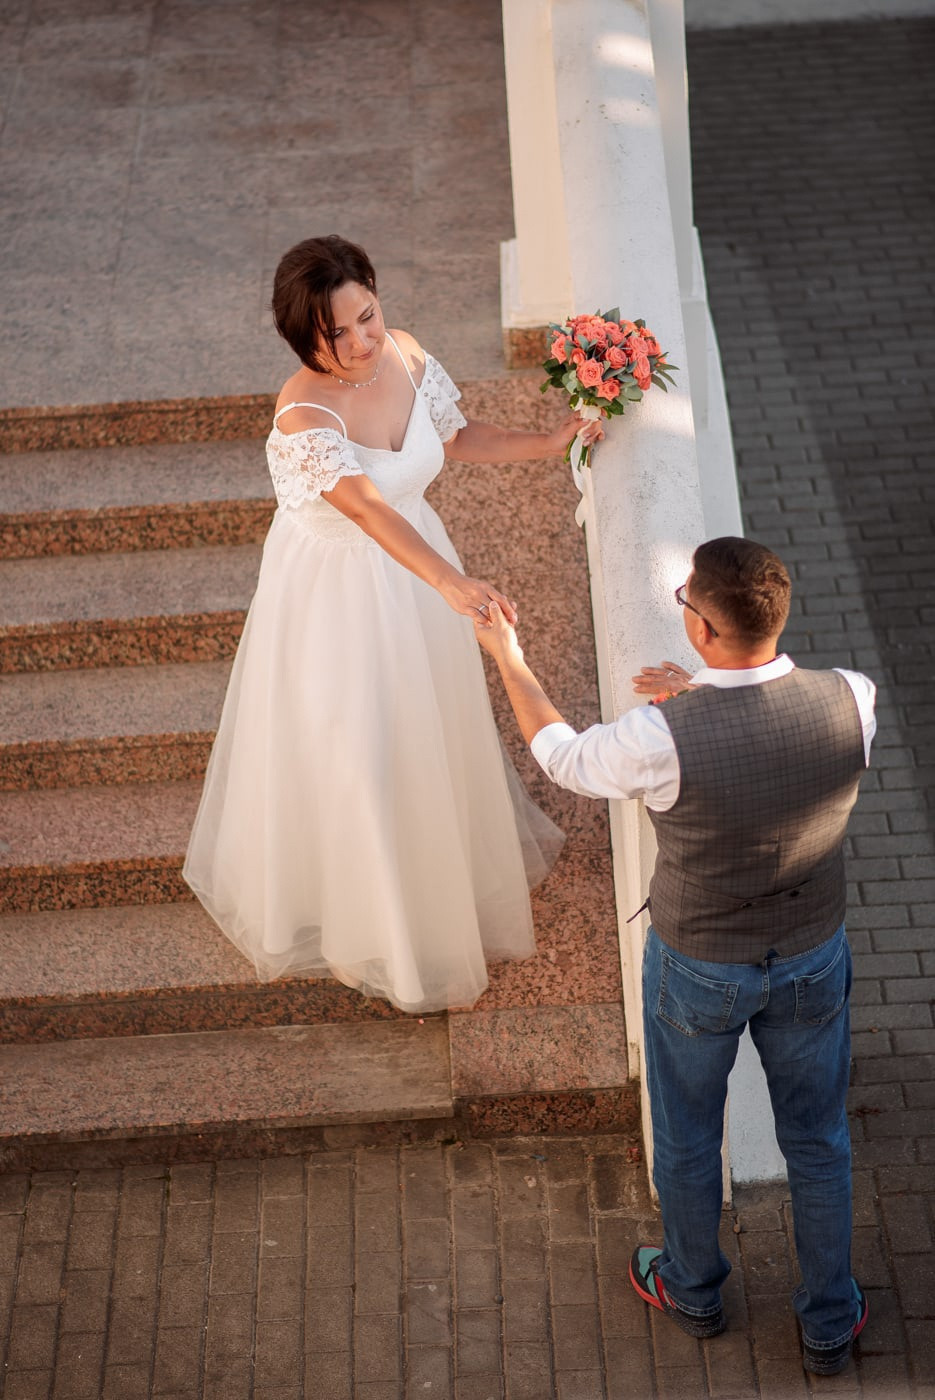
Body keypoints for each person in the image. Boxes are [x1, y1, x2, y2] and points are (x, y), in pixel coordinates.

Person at [475, 536, 876, 1377]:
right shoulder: (853, 698)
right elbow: (765, 734)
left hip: (700, 963)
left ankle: (692, 1291)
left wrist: (506, 654)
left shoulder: (657, 737)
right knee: (818, 1140)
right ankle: (830, 1322)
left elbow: (559, 754)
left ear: (698, 629)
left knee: (689, 1136)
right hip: (810, 954)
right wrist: (699, 692)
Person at [183, 235, 603, 1015]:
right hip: (340, 591)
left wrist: (550, 442)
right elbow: (370, 510)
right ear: (302, 338)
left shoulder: (406, 355)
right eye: (334, 333)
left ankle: (437, 884)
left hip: (418, 570)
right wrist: (452, 582)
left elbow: (455, 436)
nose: (358, 342)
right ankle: (387, 935)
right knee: (359, 750)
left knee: (425, 732)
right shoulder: (301, 411)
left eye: (366, 318)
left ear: (377, 299)